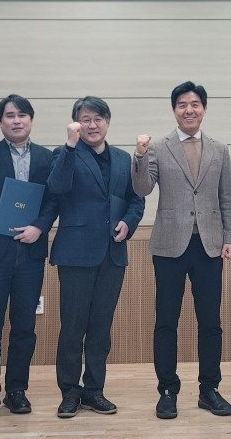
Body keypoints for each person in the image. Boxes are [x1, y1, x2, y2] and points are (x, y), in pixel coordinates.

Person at [132, 81, 231, 420]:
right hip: (169, 245)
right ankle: (167, 390)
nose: (188, 110)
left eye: (195, 104)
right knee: (166, 321)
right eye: (182, 105)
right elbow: (142, 188)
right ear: (174, 110)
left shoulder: (219, 149)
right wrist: (139, 155)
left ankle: (209, 389)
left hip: (209, 245)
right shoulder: (157, 148)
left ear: (204, 109)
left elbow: (227, 197)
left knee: (210, 322)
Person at [47, 96, 145, 418]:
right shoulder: (64, 154)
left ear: (108, 122)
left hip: (112, 253)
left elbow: (136, 199)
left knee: (101, 329)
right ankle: (69, 392)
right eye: (85, 119)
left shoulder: (122, 159)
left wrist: (128, 222)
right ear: (76, 124)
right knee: (72, 327)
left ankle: (94, 390)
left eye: (98, 119)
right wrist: (70, 146)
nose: (92, 125)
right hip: (76, 253)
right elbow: (57, 187)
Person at [0, 94, 56, 419]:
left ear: (31, 120)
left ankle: (17, 390)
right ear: (0, 122)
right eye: (9, 115)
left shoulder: (46, 156)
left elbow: (54, 200)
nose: (16, 121)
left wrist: (39, 227)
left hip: (29, 253)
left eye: (22, 115)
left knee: (24, 326)